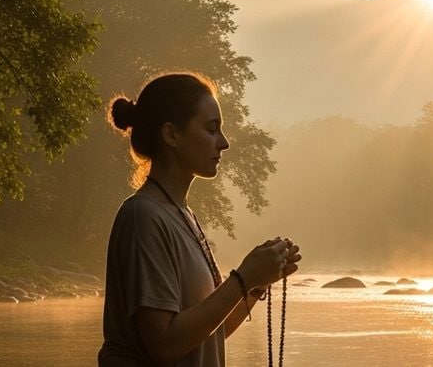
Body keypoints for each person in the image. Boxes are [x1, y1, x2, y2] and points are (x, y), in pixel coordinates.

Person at [99, 72, 300, 366]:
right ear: (171, 135)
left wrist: (257, 284)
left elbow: (209, 332)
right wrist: (243, 277)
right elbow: (165, 344)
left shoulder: (183, 215)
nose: (224, 143)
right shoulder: (143, 216)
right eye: (211, 129)